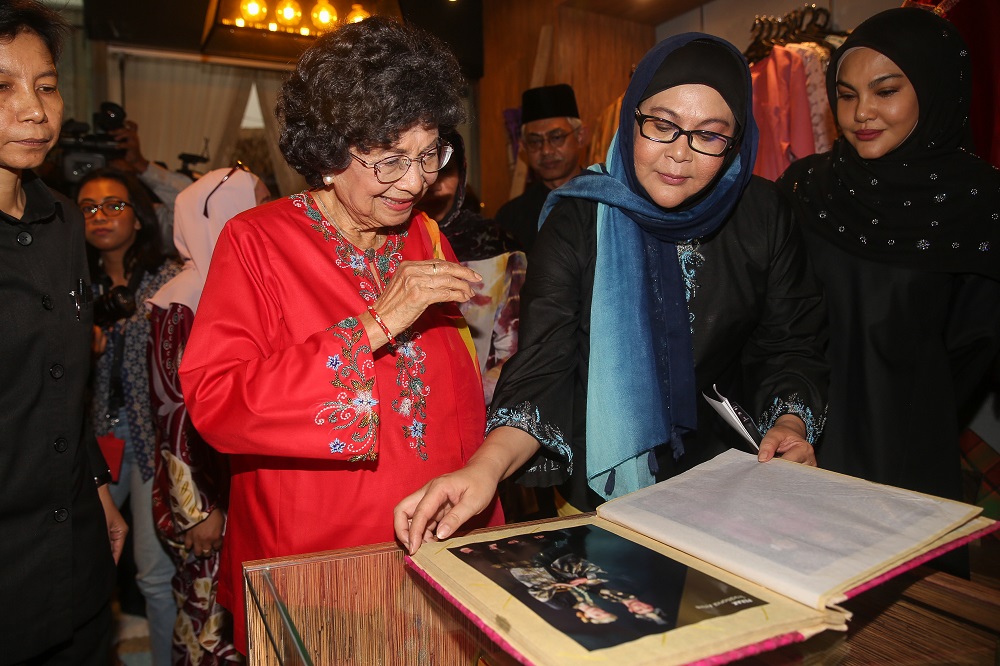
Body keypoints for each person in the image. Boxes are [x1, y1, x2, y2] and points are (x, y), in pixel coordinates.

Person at [396, 34, 828, 553]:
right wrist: (484, 469)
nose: (679, 155)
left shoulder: (761, 214)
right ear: (632, 117)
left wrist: (789, 421)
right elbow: (545, 368)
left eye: (709, 136)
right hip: (604, 487)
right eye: (662, 125)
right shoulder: (579, 216)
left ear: (737, 142)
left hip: (733, 477)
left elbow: (792, 342)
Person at [177, 17, 505, 655]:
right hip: (320, 566)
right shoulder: (257, 242)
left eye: (429, 155)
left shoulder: (423, 234)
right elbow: (216, 399)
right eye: (389, 160)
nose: (415, 183)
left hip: (437, 547)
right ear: (329, 155)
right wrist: (377, 324)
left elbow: (455, 399)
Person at [776, 10, 1000, 514]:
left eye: (885, 91)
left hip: (910, 459)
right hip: (801, 447)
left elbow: (974, 350)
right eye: (847, 94)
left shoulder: (978, 205)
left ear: (934, 88)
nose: (861, 114)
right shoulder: (805, 190)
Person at [0, 2, 127, 663]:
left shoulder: (64, 224)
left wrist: (102, 492)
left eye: (46, 86)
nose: (33, 109)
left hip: (75, 559)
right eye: (3, 88)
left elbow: (67, 389)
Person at [147, 166, 269, 665]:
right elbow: (173, 413)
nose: (271, 209)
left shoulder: (236, 289)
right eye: (259, 201)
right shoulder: (184, 298)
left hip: (237, 485)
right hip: (203, 495)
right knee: (207, 629)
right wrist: (198, 509)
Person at [81, 166, 181, 666]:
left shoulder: (168, 279)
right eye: (89, 208)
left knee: (152, 572)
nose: (100, 216)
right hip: (92, 437)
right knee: (85, 564)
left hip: (150, 441)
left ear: (138, 217)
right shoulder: (70, 282)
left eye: (114, 205)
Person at [416, 129, 525, 404]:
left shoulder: (497, 247)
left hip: (482, 408)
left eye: (446, 171)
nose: (433, 183)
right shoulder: (384, 243)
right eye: (423, 167)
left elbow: (514, 354)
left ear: (463, 172)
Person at [494, 84, 588, 254]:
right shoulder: (511, 216)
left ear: (580, 137)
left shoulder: (604, 200)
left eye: (556, 137)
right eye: (535, 141)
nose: (546, 150)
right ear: (523, 146)